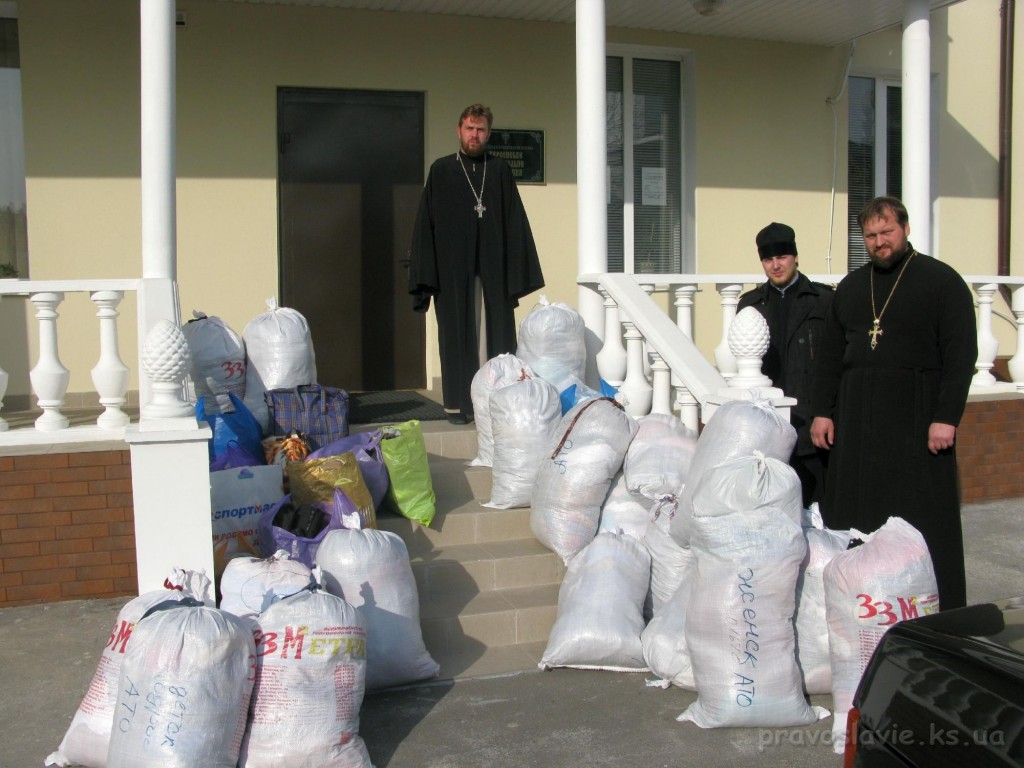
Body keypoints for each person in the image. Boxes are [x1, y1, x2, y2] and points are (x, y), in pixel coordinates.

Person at [810, 196, 977, 609]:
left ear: (905, 229)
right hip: (857, 421)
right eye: (871, 235)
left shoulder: (941, 282)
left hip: (916, 420)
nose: (880, 241)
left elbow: (960, 355)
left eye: (887, 232)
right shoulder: (851, 288)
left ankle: (936, 608)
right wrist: (822, 412)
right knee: (858, 516)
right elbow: (829, 357)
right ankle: (861, 604)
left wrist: (946, 417)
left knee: (921, 518)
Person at [408, 104, 545, 424]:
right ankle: (460, 406)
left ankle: (497, 405)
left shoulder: (499, 171)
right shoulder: (441, 171)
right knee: (456, 336)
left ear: (489, 133)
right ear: (459, 130)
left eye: (480, 129)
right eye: (469, 128)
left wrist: (515, 273)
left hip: (493, 272)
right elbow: (425, 225)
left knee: (496, 336)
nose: (474, 134)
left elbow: (515, 223)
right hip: (453, 274)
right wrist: (426, 276)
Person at [738, 222, 834, 508]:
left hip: (811, 422)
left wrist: (826, 413)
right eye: (768, 259)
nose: (776, 265)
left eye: (782, 257)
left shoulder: (824, 301)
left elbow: (834, 364)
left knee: (817, 507)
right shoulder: (751, 305)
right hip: (767, 425)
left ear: (795, 257)